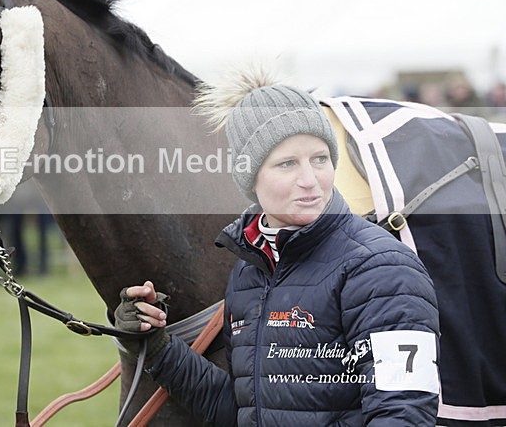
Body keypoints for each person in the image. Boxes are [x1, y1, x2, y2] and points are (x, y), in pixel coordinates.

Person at [115, 74, 440, 425]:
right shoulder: (249, 271)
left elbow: (404, 415)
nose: (310, 179)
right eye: (287, 164)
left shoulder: (382, 268)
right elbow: (242, 412)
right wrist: (157, 347)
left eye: (319, 159)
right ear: (250, 178)